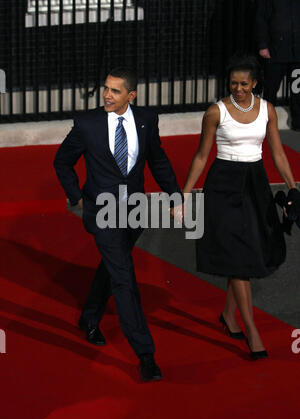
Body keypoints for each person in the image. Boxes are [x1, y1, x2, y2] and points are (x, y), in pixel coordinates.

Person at [54, 67, 182, 381]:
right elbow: (62, 161)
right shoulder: (88, 124)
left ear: (131, 95)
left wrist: (175, 196)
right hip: (102, 210)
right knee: (124, 277)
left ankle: (90, 317)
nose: (107, 95)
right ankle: (145, 354)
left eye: (115, 91)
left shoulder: (147, 119)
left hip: (133, 209)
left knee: (114, 266)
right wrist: (77, 197)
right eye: (106, 89)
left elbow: (158, 159)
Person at [173, 55, 299, 360]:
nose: (238, 89)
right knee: (240, 257)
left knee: (246, 254)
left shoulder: (267, 109)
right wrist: (184, 195)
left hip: (255, 185)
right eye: (233, 84)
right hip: (223, 187)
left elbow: (278, 154)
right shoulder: (216, 112)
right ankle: (251, 330)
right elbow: (202, 156)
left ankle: (229, 316)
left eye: (244, 84)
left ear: (255, 83)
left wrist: (293, 187)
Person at [255, 0, 300, 130]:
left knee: (298, 90)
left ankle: (298, 123)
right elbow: (261, 19)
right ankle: (264, 124)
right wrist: (263, 45)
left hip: (297, 52)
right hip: (275, 50)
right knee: (270, 90)